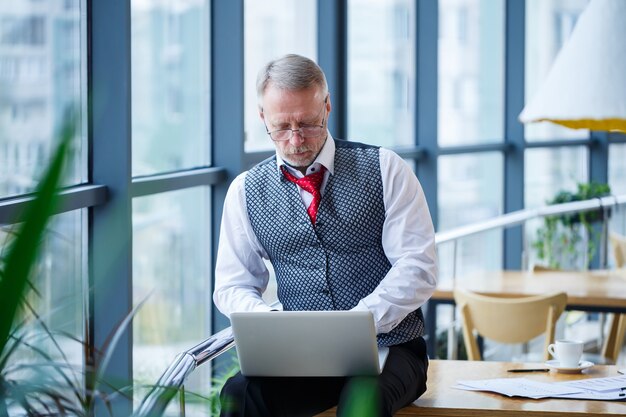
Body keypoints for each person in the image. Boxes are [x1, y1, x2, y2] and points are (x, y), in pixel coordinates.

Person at [213, 53, 437, 417]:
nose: (296, 139)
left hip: (391, 350)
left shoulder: (384, 168)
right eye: (281, 127)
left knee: (362, 403)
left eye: (308, 123)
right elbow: (232, 284)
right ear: (262, 118)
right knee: (240, 394)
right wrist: (264, 322)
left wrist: (360, 324)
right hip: (300, 359)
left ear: (327, 107)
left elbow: (418, 266)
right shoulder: (245, 191)